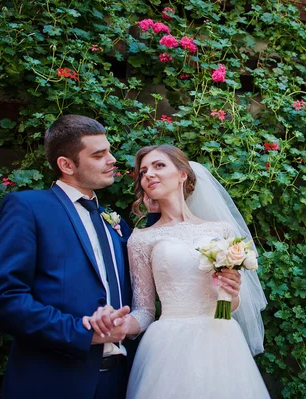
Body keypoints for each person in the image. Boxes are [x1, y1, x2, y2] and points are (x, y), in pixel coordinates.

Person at [0, 114, 156, 399]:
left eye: (109, 151)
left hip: (120, 381)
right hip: (53, 380)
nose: (112, 159)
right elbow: (1, 300)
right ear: (66, 165)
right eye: (99, 155)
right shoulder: (29, 208)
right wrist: (82, 332)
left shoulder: (116, 223)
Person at [87, 145, 270, 398]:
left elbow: (229, 306)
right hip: (168, 347)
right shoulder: (141, 239)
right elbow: (145, 310)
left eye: (159, 166)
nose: (149, 174)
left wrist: (232, 291)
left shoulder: (222, 230)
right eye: (143, 171)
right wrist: (123, 324)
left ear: (183, 173)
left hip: (222, 341)